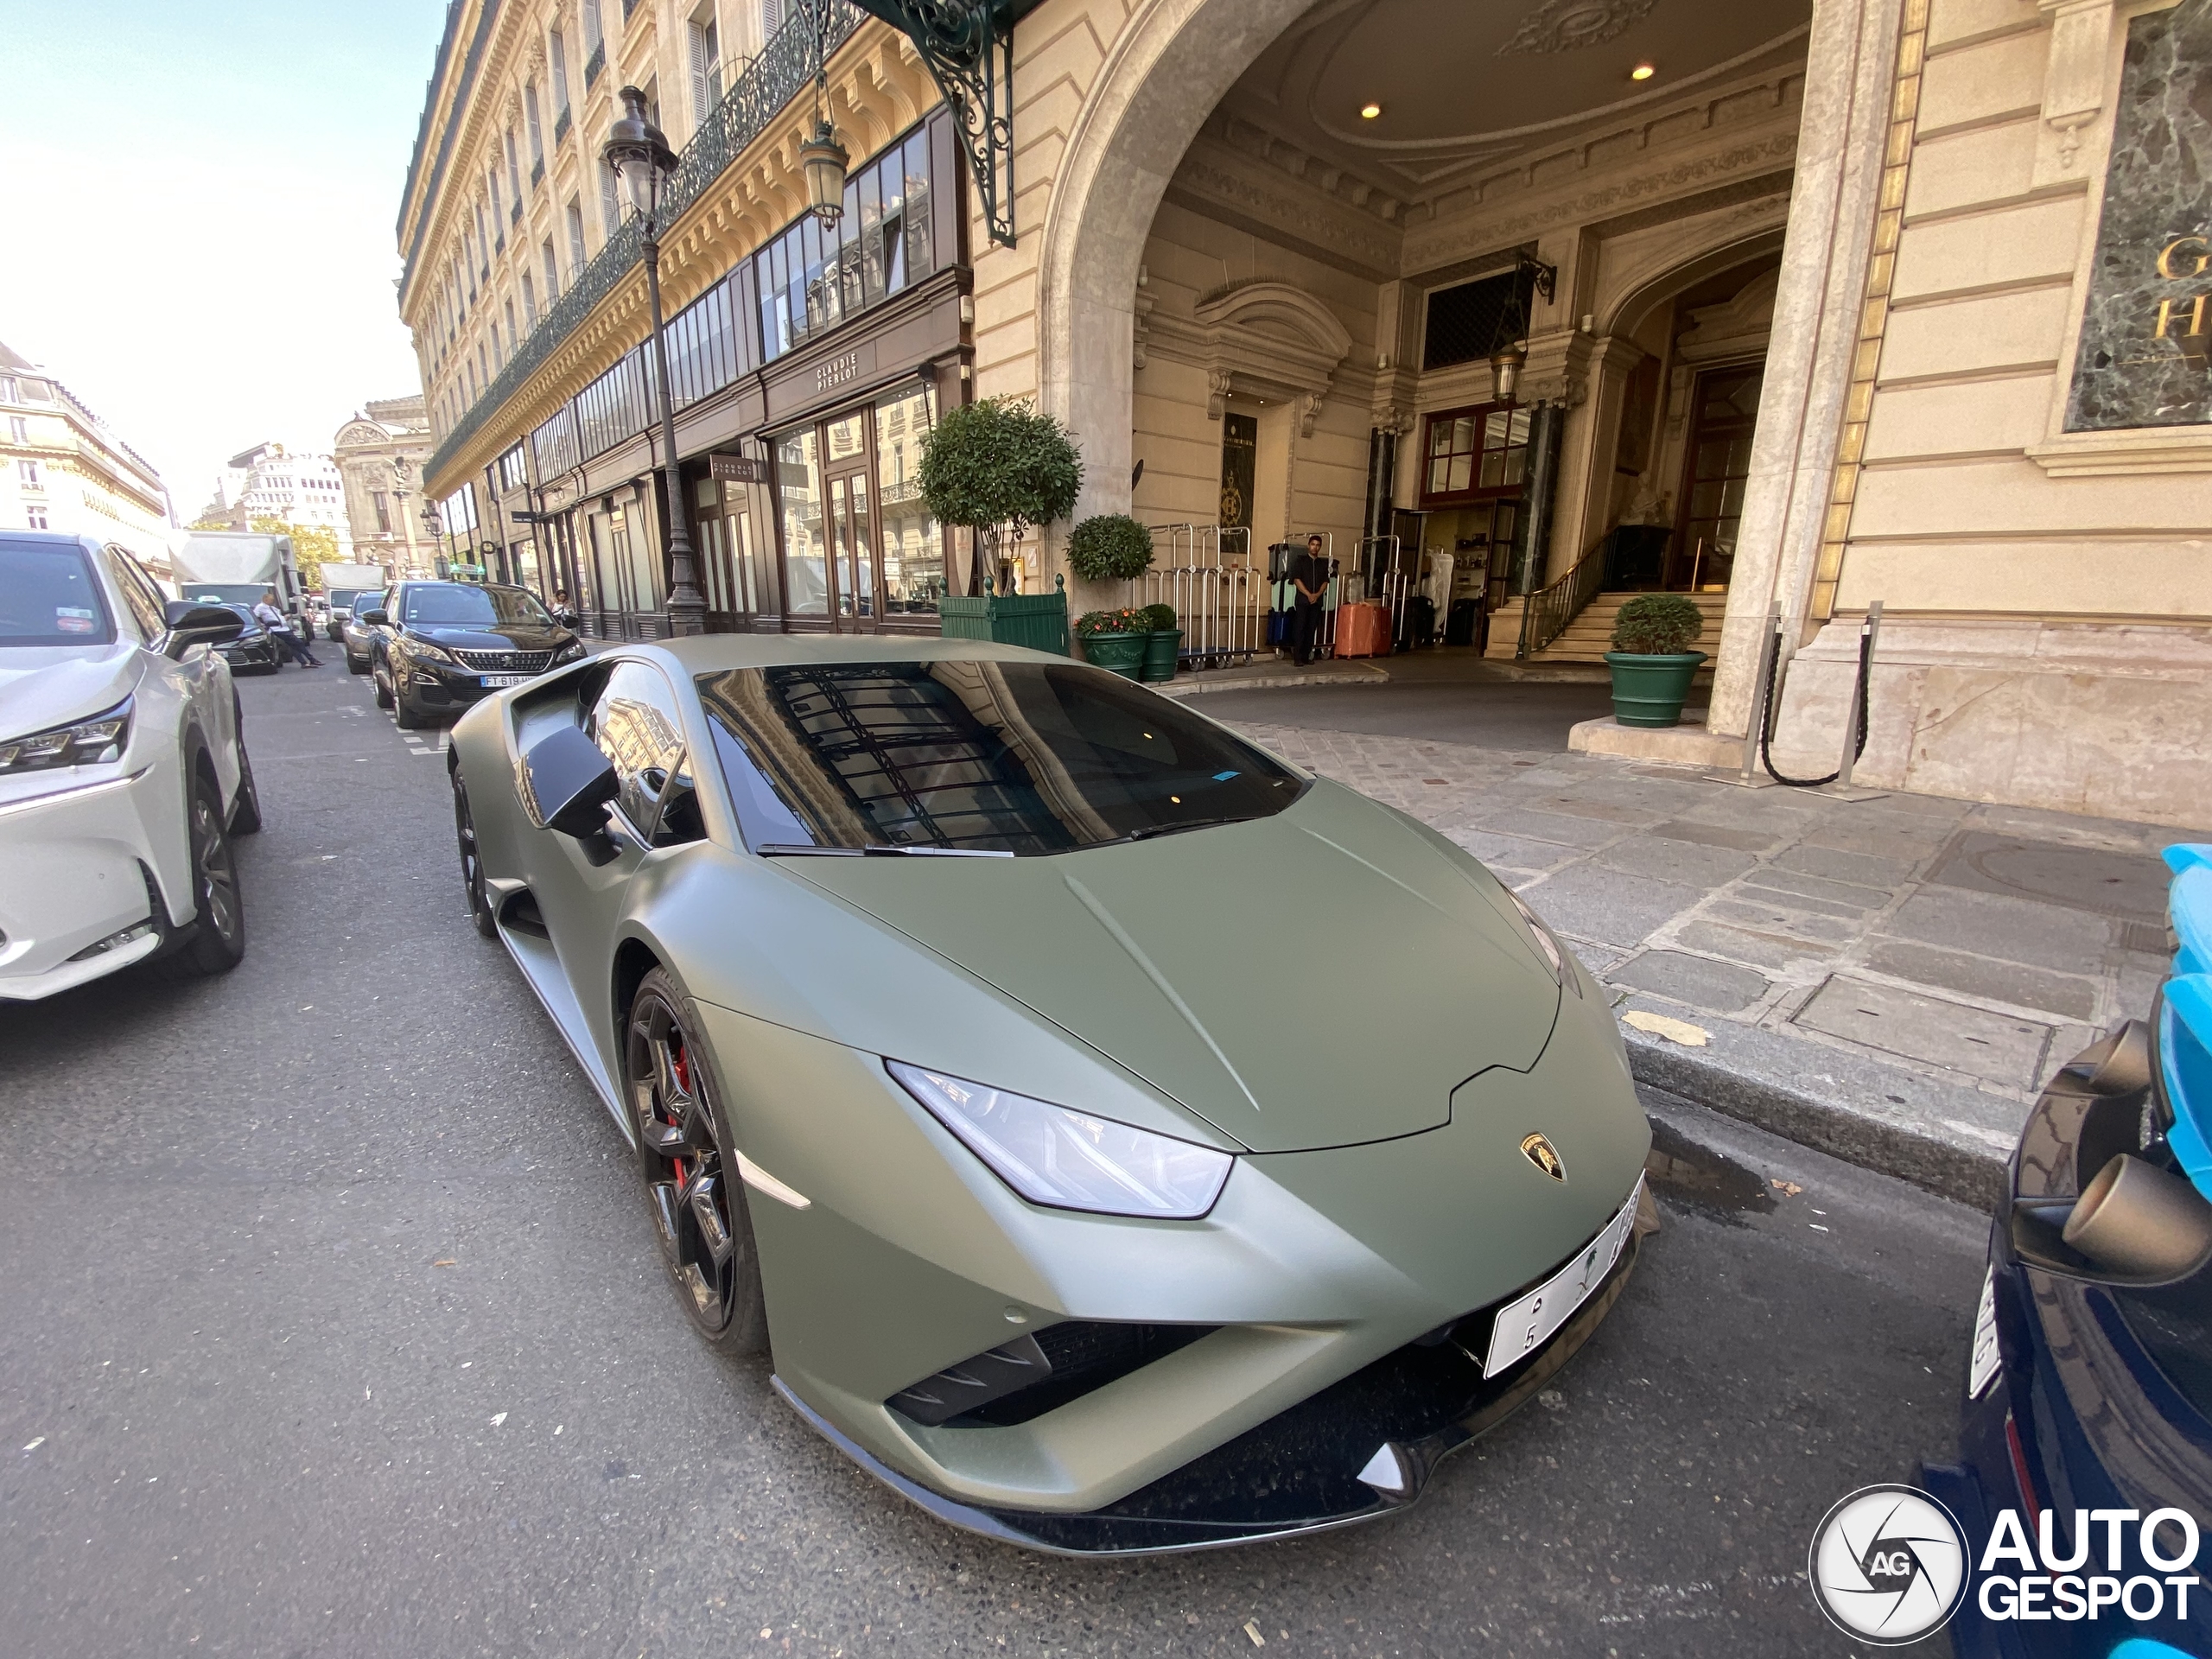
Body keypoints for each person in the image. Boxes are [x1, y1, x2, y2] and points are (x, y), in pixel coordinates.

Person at [1289, 534, 1331, 666]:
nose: (1315, 547)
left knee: (1311, 628)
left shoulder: (1322, 564)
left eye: (1318, 545)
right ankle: (1297, 658)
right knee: (1300, 628)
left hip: (1316, 602)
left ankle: (1306, 656)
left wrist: (1317, 595)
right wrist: (1308, 594)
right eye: (1313, 544)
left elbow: (1325, 582)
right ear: (1309, 545)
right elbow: (1297, 579)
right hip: (1302, 601)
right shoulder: (1300, 561)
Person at [253, 588, 319, 667]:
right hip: (276, 629)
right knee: (298, 642)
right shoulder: (260, 607)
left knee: (292, 646)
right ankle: (311, 659)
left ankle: (304, 663)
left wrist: (284, 618)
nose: (273, 601)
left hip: (283, 628)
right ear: (265, 599)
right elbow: (255, 617)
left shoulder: (272, 608)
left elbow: (276, 616)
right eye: (271, 599)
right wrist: (265, 624)